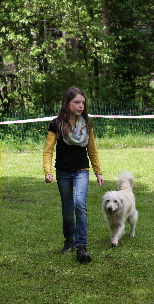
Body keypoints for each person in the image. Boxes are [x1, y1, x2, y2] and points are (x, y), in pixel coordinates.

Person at [43, 87, 105, 263]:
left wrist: (98, 172)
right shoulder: (56, 125)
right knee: (67, 209)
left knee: (80, 204)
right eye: (77, 102)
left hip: (81, 170)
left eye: (83, 103)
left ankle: (82, 246)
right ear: (67, 103)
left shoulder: (87, 125)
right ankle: (69, 241)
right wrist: (47, 171)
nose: (81, 106)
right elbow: (48, 151)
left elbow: (92, 150)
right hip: (62, 172)